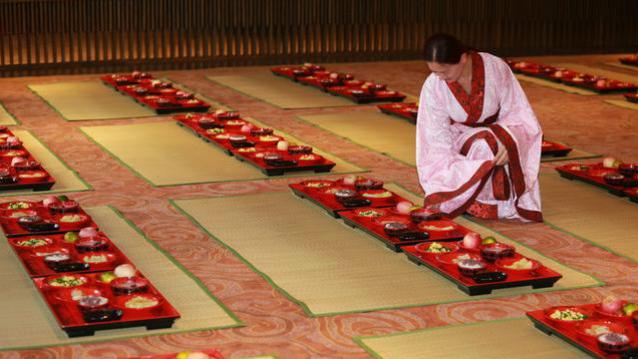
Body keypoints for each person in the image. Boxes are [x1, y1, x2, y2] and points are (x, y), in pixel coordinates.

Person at [416, 33, 542, 222]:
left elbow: (518, 111)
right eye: (434, 72)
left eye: (444, 71)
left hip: (501, 129)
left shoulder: (495, 67)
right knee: (484, 143)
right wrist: (440, 186)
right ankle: (474, 202)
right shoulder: (433, 86)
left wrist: (511, 141)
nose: (440, 77)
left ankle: (503, 204)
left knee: (493, 141)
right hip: (458, 137)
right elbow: (434, 136)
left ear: (463, 58)